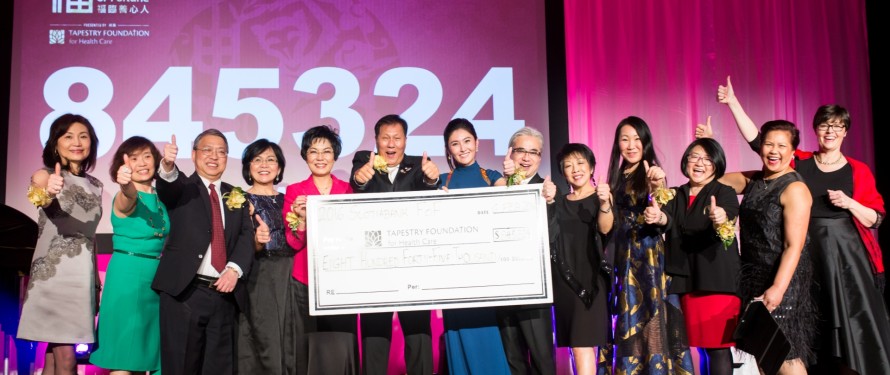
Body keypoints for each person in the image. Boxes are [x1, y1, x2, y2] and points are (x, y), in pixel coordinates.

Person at [710, 76, 890, 374]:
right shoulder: (801, 161)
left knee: (842, 329)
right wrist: (732, 103)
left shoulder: (857, 169)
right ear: (815, 130)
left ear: (845, 132)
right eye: (824, 125)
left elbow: (876, 217)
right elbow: (761, 142)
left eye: (837, 126)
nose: (830, 131)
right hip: (807, 251)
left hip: (841, 256)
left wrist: (849, 203)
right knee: (798, 333)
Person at [152, 129, 255, 375]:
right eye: (207, 150)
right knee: (181, 367)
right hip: (184, 293)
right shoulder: (183, 187)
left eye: (221, 152)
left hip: (223, 295)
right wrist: (167, 165)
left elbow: (245, 236)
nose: (214, 156)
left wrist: (234, 270)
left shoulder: (235, 194)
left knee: (219, 368)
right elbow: (167, 186)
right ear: (194, 154)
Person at [718, 120, 815, 374]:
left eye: (782, 145)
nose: (774, 150)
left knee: (785, 356)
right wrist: (709, 150)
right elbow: (715, 182)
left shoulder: (795, 188)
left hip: (782, 279)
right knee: (764, 355)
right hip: (754, 277)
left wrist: (778, 288)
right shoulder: (755, 180)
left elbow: (793, 245)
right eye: (768, 144)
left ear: (793, 152)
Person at [599, 116, 694, 374]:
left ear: (646, 142)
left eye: (637, 139)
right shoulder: (617, 176)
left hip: (648, 258)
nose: (631, 145)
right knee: (630, 322)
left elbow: (659, 201)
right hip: (623, 257)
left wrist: (657, 186)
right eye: (625, 139)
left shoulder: (651, 171)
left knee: (651, 317)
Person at [350, 114, 440, 375]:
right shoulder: (363, 160)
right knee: (374, 337)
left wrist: (432, 180)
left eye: (397, 138)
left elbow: (427, 187)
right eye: (385, 138)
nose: (391, 144)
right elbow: (357, 184)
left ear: (405, 141)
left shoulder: (419, 165)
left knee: (418, 335)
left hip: (412, 264)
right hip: (374, 264)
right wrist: (360, 178)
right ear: (376, 140)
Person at [18, 114, 103, 375]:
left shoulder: (96, 185)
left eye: (83, 136)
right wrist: (48, 190)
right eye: (68, 136)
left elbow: (90, 237)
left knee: (55, 359)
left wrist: (96, 282)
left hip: (82, 279)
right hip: (54, 277)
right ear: (56, 144)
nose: (76, 142)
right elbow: (38, 196)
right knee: (67, 362)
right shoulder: (44, 175)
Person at [658, 138, 740, 375]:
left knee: (718, 350)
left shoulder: (723, 192)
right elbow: (665, 221)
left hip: (717, 284)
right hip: (687, 283)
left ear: (717, 164)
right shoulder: (675, 194)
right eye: (695, 156)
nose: (700, 163)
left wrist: (720, 217)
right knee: (704, 349)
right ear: (685, 161)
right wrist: (656, 214)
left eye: (707, 159)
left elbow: (728, 215)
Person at [283, 125, 360, 374]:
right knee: (307, 347)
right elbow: (293, 242)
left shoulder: (348, 191)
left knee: (341, 344)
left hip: (342, 281)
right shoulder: (295, 192)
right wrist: (302, 220)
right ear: (305, 156)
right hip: (304, 281)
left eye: (326, 151)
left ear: (335, 155)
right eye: (313, 151)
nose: (320, 157)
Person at [438, 118, 512, 375]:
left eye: (467, 141)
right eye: (455, 144)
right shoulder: (441, 182)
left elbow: (508, 207)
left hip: (485, 274)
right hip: (452, 275)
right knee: (457, 338)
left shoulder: (493, 178)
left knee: (487, 336)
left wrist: (511, 179)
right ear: (449, 150)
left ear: (477, 143)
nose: (462, 148)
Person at [90, 136, 167, 374]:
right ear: (123, 166)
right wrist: (125, 185)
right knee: (125, 357)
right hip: (128, 276)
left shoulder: (161, 197)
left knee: (153, 355)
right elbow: (127, 199)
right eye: (134, 159)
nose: (142, 163)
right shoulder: (124, 195)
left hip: (157, 281)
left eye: (147, 156)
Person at [493, 126, 558, 375]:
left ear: (540, 158)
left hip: (534, 290)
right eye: (521, 150)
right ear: (510, 154)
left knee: (542, 360)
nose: (526, 158)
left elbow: (552, 236)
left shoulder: (548, 191)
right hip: (504, 288)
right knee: (513, 360)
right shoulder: (497, 186)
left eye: (534, 152)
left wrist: (550, 203)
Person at [549, 143, 613, 375]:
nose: (575, 169)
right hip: (564, 280)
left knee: (582, 345)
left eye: (580, 163)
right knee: (577, 347)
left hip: (591, 280)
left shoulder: (601, 197)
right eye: (568, 165)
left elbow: (605, 229)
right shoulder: (559, 202)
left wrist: (605, 204)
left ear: (592, 166)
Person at [235, 139, 296, 374]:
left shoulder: (288, 199)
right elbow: (233, 246)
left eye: (271, 160)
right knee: (263, 335)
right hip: (259, 274)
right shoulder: (239, 200)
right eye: (257, 159)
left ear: (279, 168)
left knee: (290, 335)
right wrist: (256, 241)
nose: (264, 165)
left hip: (290, 274)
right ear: (248, 167)